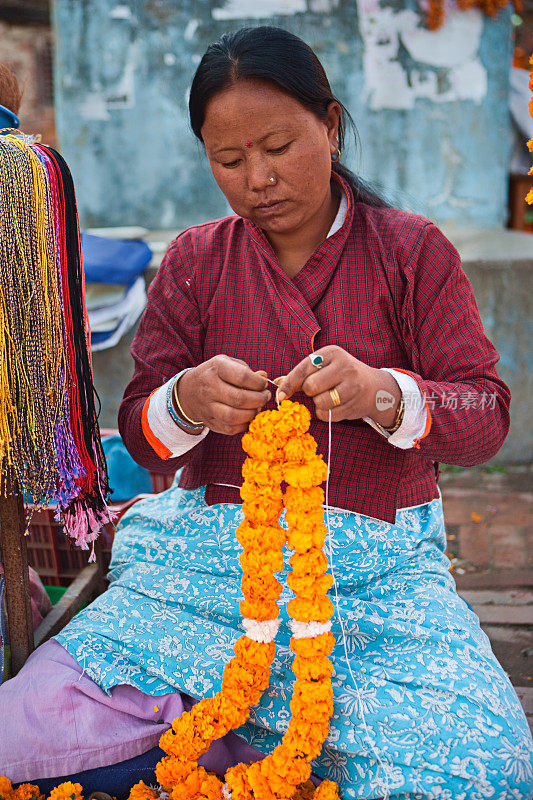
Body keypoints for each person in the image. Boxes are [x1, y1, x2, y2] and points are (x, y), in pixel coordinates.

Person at [1, 26, 532, 800]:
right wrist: (186, 401)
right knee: (20, 731)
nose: (259, 178)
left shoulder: (412, 253)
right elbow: (143, 434)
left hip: (371, 586)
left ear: (331, 123)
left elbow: (485, 415)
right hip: (204, 575)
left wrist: (386, 394)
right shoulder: (194, 260)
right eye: (229, 160)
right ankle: (246, 747)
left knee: (485, 767)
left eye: (279, 145)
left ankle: (223, 744)